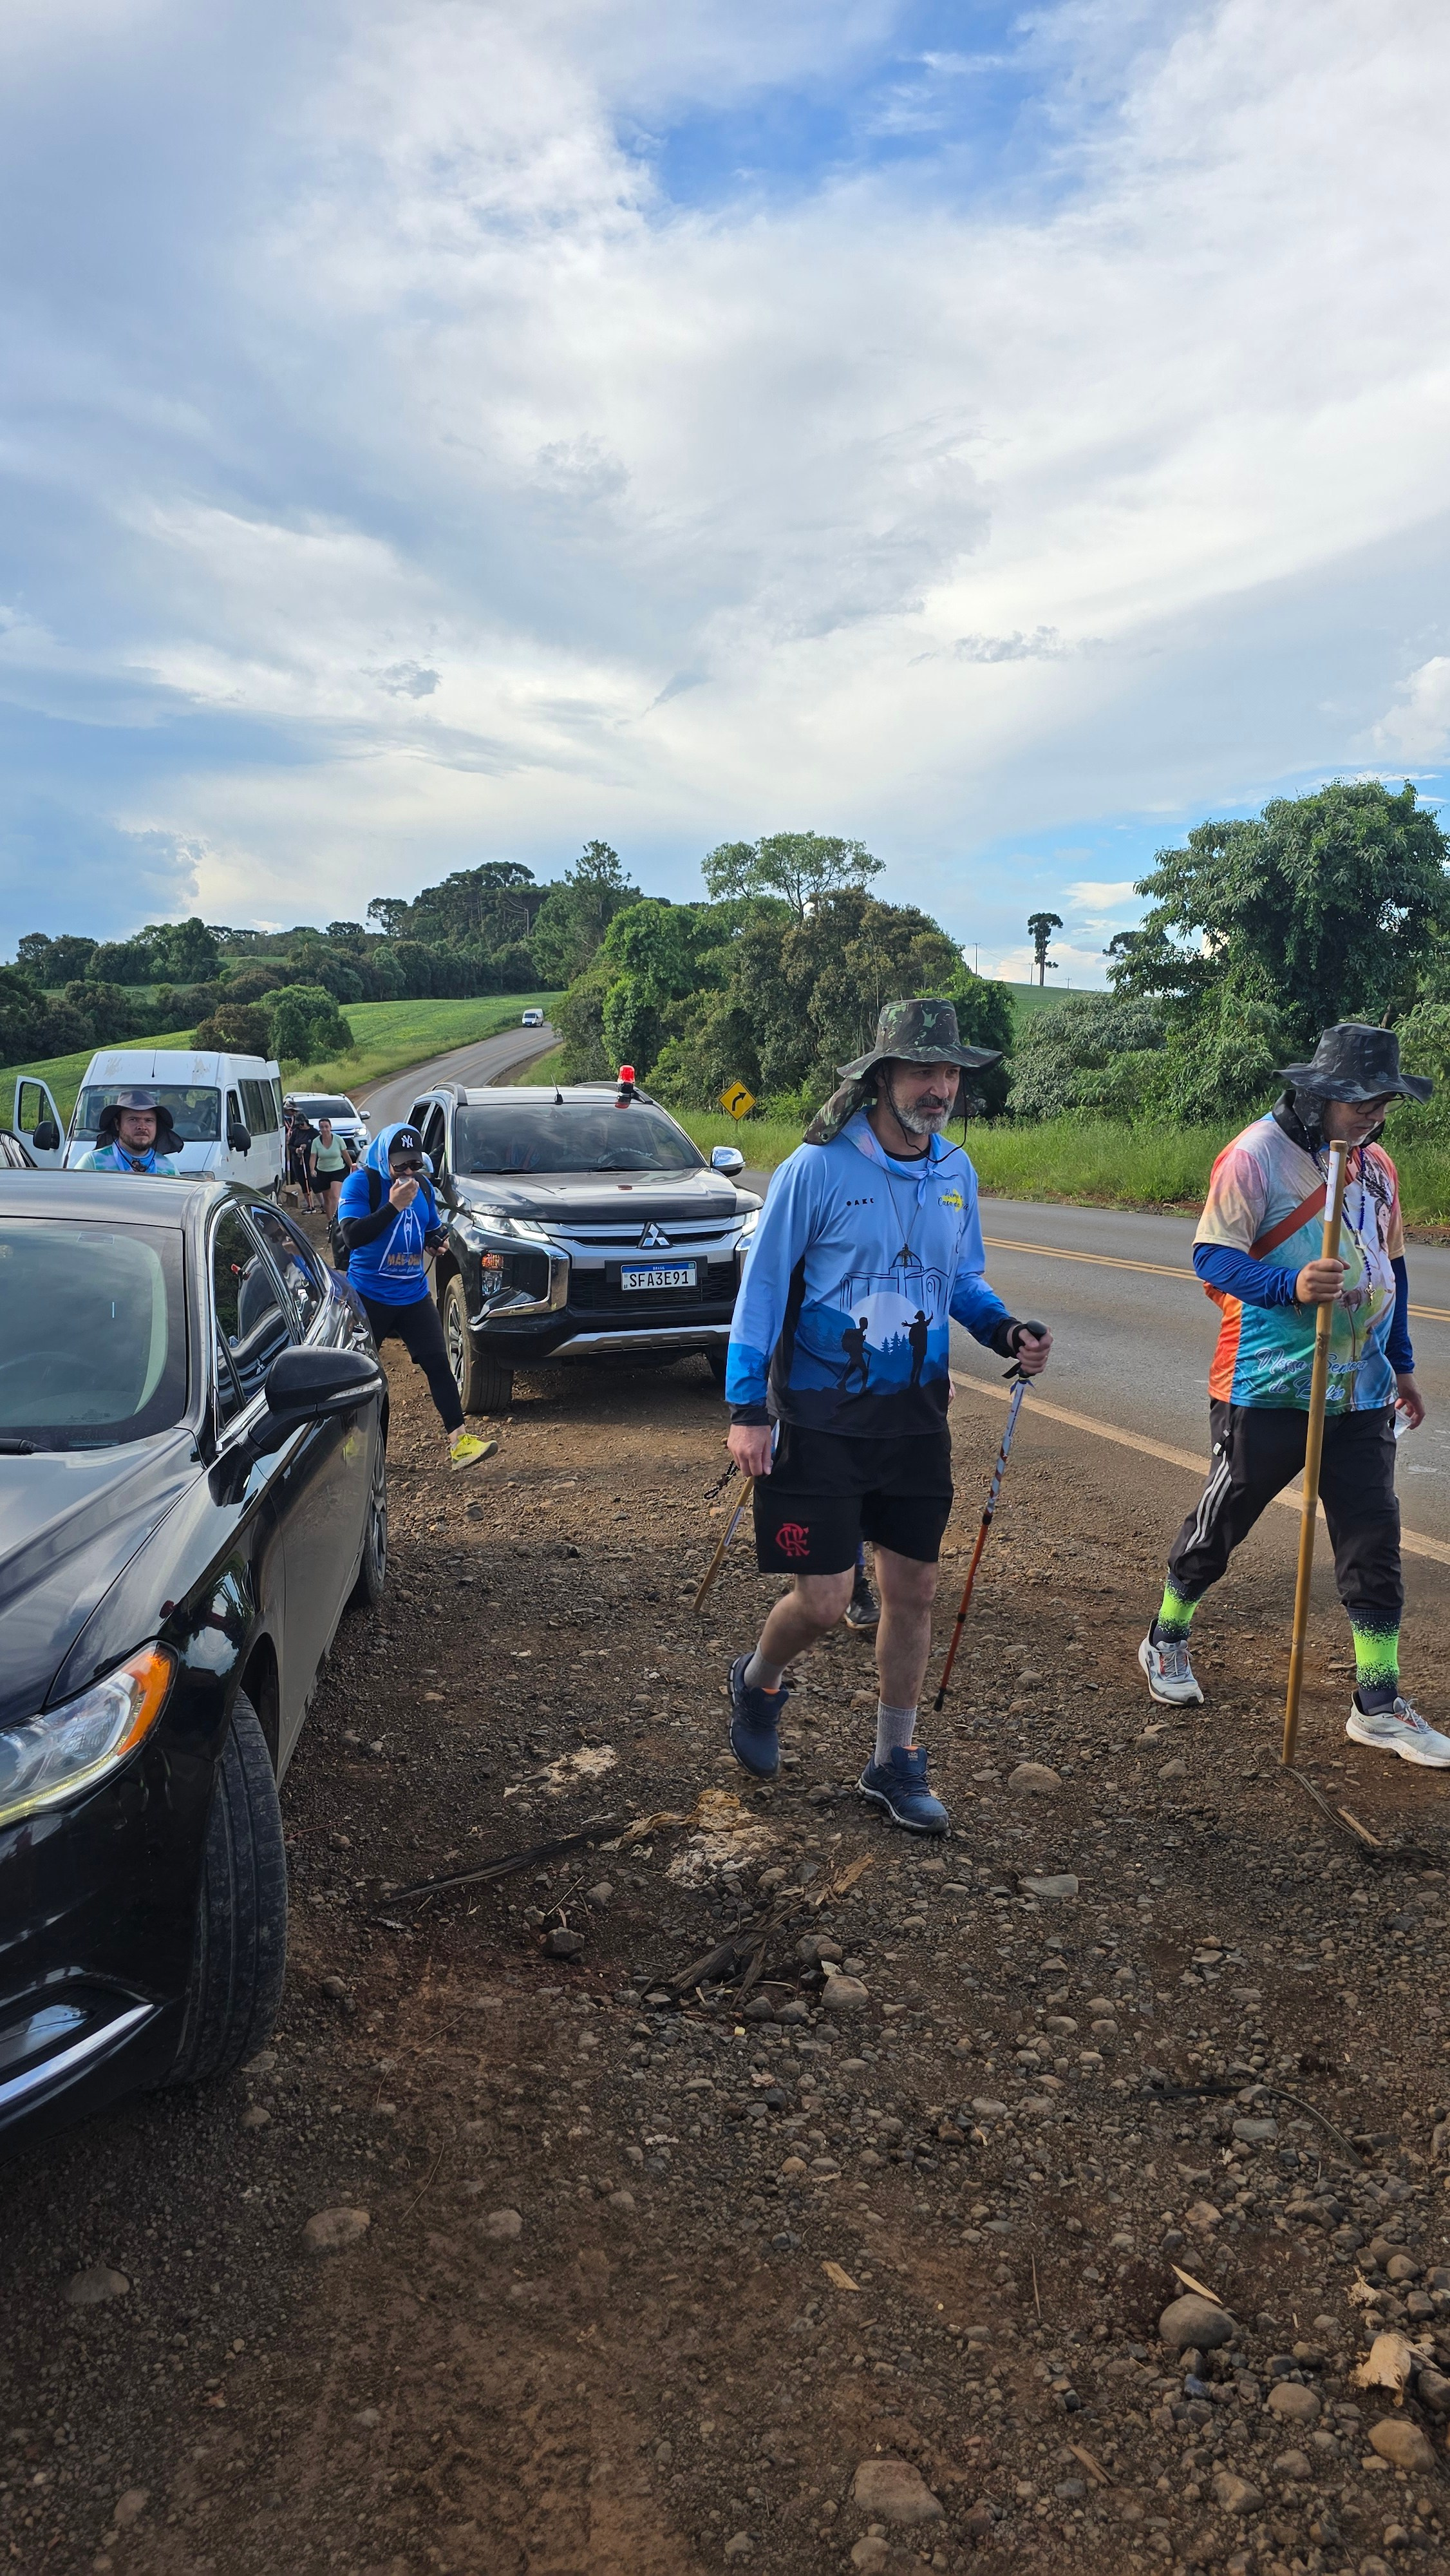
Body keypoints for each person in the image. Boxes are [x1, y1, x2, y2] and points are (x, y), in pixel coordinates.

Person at [722, 996, 1052, 1832]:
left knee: (914, 1590)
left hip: (914, 1420)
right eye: (921, 1071)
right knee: (824, 1602)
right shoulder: (817, 1169)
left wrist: (1003, 1329)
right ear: (881, 1078)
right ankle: (757, 1682)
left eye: (950, 1073)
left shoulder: (955, 1173)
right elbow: (762, 1289)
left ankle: (893, 1761)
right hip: (821, 1419)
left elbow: (959, 1280)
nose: (939, 1087)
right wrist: (746, 1407)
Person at [1139, 1021, 1449, 1765]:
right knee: (1225, 1516)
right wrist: (1291, 1285)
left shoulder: (1377, 1166)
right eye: (1359, 1100)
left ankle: (1376, 1701)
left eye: (1381, 1102)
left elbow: (1392, 1268)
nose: (1372, 1114)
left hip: (1360, 1387)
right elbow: (1211, 1257)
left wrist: (1401, 1363)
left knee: (1372, 1536)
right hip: (1266, 1381)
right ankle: (1166, 1634)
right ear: (1318, 1095)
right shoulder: (1253, 1156)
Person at [337, 1122, 496, 1472]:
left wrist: (435, 1242)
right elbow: (352, 1236)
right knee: (363, 1375)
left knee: (438, 1363)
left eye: (415, 1164)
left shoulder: (422, 1187)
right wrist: (392, 1206)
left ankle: (460, 1444)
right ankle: (357, 1451)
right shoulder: (361, 1183)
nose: (408, 1173)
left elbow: (431, 1228)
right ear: (384, 1159)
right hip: (369, 1296)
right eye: (401, 1166)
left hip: (413, 1294)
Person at [77, 1090, 184, 1175]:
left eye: (148, 1120)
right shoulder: (93, 1163)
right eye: (133, 1120)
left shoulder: (169, 1169)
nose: (142, 1127)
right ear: (117, 1124)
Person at [311, 1115, 349, 1222]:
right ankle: (330, 1221)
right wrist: (312, 1169)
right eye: (322, 1127)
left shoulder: (338, 1139)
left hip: (338, 1170)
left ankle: (337, 1220)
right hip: (323, 1171)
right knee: (327, 1199)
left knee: (335, 1196)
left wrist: (352, 1167)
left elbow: (345, 1155)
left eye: (326, 1127)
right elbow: (313, 1157)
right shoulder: (316, 1142)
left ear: (330, 1127)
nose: (324, 1129)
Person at [284, 1099, 317, 1209]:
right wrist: (297, 1150)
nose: (300, 1127)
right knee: (303, 1182)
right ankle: (310, 1205)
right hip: (298, 1161)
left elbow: (318, 1145)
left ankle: (321, 1203)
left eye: (302, 1124)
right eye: (298, 1125)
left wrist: (307, 1147)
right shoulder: (296, 1132)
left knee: (313, 1182)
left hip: (310, 1160)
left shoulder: (314, 1132)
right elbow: (290, 1145)